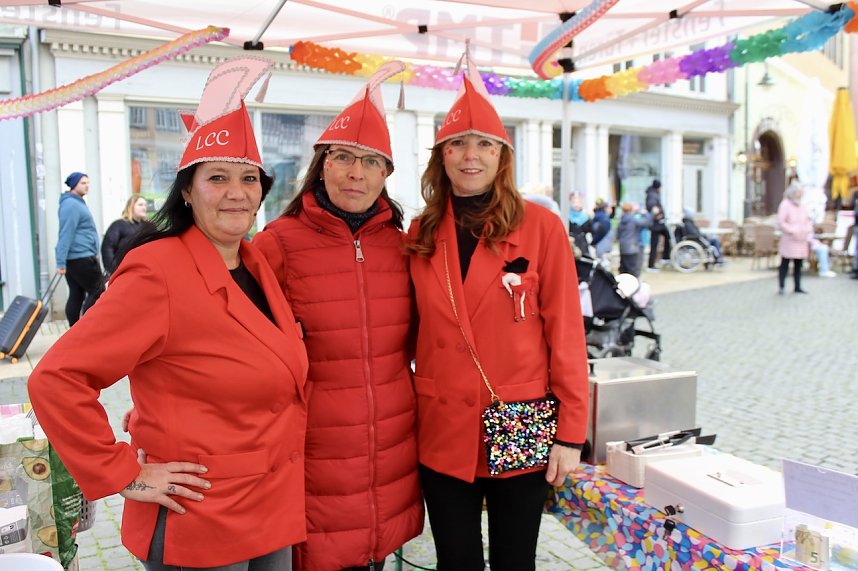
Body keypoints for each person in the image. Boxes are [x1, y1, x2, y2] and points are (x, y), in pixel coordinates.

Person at [28, 57, 309, 570]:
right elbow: (57, 378)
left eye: (249, 179)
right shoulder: (158, 271)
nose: (236, 192)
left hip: (270, 506)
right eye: (217, 177)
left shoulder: (255, 262)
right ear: (186, 189)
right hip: (202, 516)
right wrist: (123, 473)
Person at [403, 52, 590, 571]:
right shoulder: (420, 233)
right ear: (441, 155)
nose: (470, 155)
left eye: (484, 143)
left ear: (502, 156)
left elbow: (568, 337)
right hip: (442, 422)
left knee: (515, 561)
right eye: (458, 143)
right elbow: (406, 330)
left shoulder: (541, 228)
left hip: (521, 418)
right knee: (456, 561)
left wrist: (571, 433)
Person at [253, 62, 423, 571]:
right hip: (314, 452)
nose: (356, 172)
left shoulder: (406, 246)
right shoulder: (276, 244)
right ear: (322, 164)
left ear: (387, 174)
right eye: (344, 157)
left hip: (392, 446)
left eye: (371, 161)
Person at [56, 171, 104, 325]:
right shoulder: (71, 204)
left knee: (77, 294)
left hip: (78, 257)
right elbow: (65, 233)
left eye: (88, 183)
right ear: (73, 185)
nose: (87, 186)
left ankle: (75, 329)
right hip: (81, 257)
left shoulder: (76, 202)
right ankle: (87, 327)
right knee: (98, 291)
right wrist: (60, 262)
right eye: (83, 183)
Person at [777, 181, 813, 295]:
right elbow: (781, 222)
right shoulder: (785, 205)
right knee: (785, 263)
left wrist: (806, 229)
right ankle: (782, 286)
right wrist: (793, 230)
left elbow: (807, 220)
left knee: (798, 264)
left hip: (801, 240)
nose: (799, 194)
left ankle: (797, 286)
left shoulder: (802, 205)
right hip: (789, 239)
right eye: (798, 192)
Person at [101, 193, 150, 276]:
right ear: (131, 206)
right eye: (140, 205)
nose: (144, 208)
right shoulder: (119, 225)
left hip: (144, 271)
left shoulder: (149, 226)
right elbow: (107, 247)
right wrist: (114, 270)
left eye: (145, 205)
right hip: (124, 272)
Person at [617, 203, 652, 277]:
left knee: (623, 269)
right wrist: (647, 214)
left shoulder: (621, 220)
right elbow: (645, 222)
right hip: (632, 247)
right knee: (633, 270)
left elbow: (618, 234)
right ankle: (634, 286)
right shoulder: (632, 220)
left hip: (623, 247)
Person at [644, 179, 671, 271]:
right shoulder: (652, 195)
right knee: (654, 244)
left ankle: (665, 257)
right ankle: (652, 264)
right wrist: (657, 215)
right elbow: (652, 207)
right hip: (656, 224)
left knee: (667, 236)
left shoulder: (652, 194)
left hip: (658, 224)